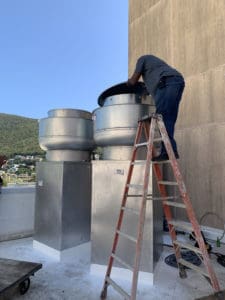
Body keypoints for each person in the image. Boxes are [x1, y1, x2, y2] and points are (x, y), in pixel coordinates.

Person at [127, 54, 185, 161]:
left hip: (166, 82)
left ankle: (168, 151)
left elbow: (134, 80)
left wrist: (128, 84)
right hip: (177, 81)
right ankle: (169, 151)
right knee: (169, 119)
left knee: (162, 118)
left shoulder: (142, 59)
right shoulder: (154, 69)